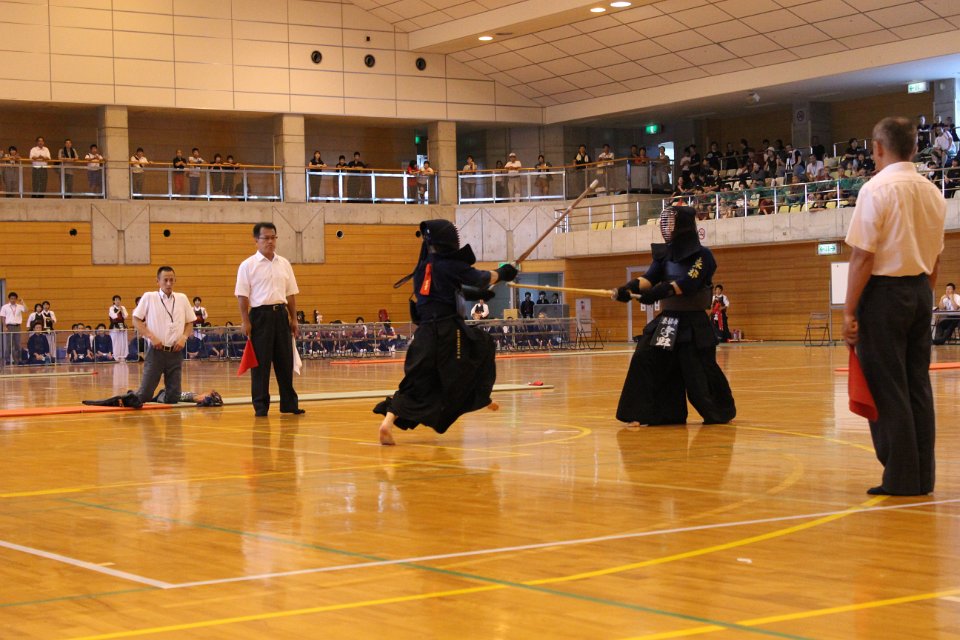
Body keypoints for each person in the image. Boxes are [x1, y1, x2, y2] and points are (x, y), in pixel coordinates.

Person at [843, 116, 946, 496]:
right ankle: (922, 476)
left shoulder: (876, 189)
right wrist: (921, 296)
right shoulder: (932, 191)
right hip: (920, 290)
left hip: (884, 295)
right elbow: (935, 258)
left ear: (877, 148)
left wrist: (849, 311)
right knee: (917, 383)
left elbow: (862, 257)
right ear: (915, 148)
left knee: (888, 386)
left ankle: (901, 477)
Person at [374, 219, 518, 445]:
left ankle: (387, 423)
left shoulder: (422, 268)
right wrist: (504, 272)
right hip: (448, 331)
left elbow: (445, 290)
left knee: (416, 381)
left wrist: (476, 294)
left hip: (424, 335)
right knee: (481, 346)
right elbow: (481, 278)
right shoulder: (450, 264)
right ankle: (480, 396)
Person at [613, 205, 736, 426]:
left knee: (697, 373)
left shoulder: (703, 256)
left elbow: (688, 283)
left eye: (672, 223)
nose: (667, 227)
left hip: (693, 322)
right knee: (645, 357)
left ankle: (719, 411)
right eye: (666, 222)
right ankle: (653, 413)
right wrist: (629, 288)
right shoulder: (664, 255)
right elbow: (649, 278)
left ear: (684, 226)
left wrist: (659, 292)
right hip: (669, 320)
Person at [236, 222, 304, 417]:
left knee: (285, 361)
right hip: (260, 317)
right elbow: (242, 295)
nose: (270, 241)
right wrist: (245, 321)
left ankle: (289, 404)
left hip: (281, 314)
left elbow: (290, 293)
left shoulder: (284, 263)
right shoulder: (248, 265)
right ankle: (260, 406)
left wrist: (294, 318)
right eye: (265, 238)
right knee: (260, 364)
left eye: (273, 237)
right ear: (256, 240)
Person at [131, 266, 197, 404]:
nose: (168, 283)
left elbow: (190, 322)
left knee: (173, 398)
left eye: (171, 280)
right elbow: (136, 320)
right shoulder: (149, 297)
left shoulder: (182, 298)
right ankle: (131, 396)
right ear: (158, 281)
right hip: (156, 352)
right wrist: (151, 337)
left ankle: (163, 394)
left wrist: (183, 338)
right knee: (144, 396)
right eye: (165, 280)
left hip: (175, 352)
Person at [1, 291, 26, 365]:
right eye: (11, 298)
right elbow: (3, 317)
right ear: (9, 299)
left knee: (18, 344)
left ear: (16, 299)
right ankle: (7, 360)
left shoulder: (19, 306)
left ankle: (18, 360)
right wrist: (4, 326)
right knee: (9, 344)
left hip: (17, 326)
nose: (13, 300)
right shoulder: (5, 307)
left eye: (14, 298)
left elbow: (26, 310)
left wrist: (22, 302)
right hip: (9, 326)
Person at [108, 295, 129, 362]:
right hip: (114, 327)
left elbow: (125, 316)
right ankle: (115, 356)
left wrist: (122, 310)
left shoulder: (123, 307)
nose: (118, 301)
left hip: (122, 326)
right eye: (116, 300)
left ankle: (123, 356)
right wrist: (118, 310)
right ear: (113, 301)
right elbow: (113, 316)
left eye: (119, 300)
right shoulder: (111, 308)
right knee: (115, 341)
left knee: (123, 341)